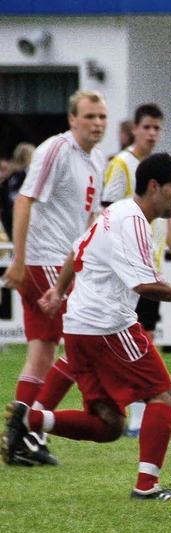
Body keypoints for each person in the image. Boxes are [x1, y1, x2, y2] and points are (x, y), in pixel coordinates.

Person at [1, 153, 171, 500]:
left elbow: (76, 250)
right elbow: (144, 286)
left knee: (108, 425)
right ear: (154, 187)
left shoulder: (115, 212)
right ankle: (147, 486)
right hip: (109, 327)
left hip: (80, 329)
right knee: (163, 395)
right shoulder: (132, 223)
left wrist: (58, 291)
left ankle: (30, 421)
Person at [0, 90, 108, 466]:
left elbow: (91, 218)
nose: (97, 123)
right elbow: (23, 200)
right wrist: (18, 259)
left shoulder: (97, 159)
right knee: (79, 346)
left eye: (102, 117)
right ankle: (28, 429)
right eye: (90, 116)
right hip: (43, 261)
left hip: (64, 263)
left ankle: (22, 435)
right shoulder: (55, 150)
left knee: (44, 349)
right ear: (72, 118)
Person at [100, 103, 171, 435]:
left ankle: (137, 416)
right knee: (119, 341)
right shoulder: (123, 165)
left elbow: (166, 223)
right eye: (148, 127)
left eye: (157, 128)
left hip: (150, 269)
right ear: (134, 129)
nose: (153, 133)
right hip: (126, 272)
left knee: (145, 339)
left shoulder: (159, 167)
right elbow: (107, 214)